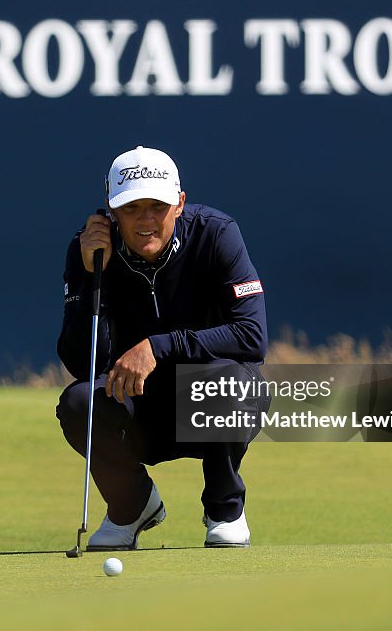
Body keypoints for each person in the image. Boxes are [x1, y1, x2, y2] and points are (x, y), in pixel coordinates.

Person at [55, 145, 269, 550]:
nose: (146, 220)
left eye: (158, 206)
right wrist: (88, 278)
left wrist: (158, 346)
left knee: (230, 383)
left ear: (180, 204)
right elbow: (80, 363)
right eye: (132, 208)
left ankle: (225, 506)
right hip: (138, 409)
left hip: (209, 403)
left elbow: (252, 337)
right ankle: (131, 505)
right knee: (78, 403)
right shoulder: (89, 251)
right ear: (111, 211)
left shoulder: (216, 233)